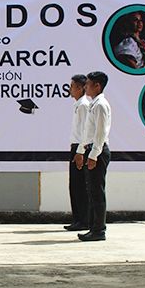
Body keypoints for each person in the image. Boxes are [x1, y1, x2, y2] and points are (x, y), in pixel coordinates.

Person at [74, 71, 111, 242]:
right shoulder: (93, 104)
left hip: (98, 150)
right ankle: (93, 227)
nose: (86, 87)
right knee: (91, 191)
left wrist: (94, 155)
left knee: (97, 191)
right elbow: (87, 133)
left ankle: (99, 230)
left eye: (88, 84)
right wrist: (81, 151)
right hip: (90, 149)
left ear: (97, 86)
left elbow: (100, 133)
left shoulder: (101, 105)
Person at [64, 74, 90, 232]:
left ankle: (84, 219)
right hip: (76, 147)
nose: (70, 89)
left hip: (81, 148)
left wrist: (80, 151)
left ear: (80, 88)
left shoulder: (84, 105)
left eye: (72, 86)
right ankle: (78, 218)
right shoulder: (78, 105)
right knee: (74, 185)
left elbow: (86, 132)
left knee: (80, 185)